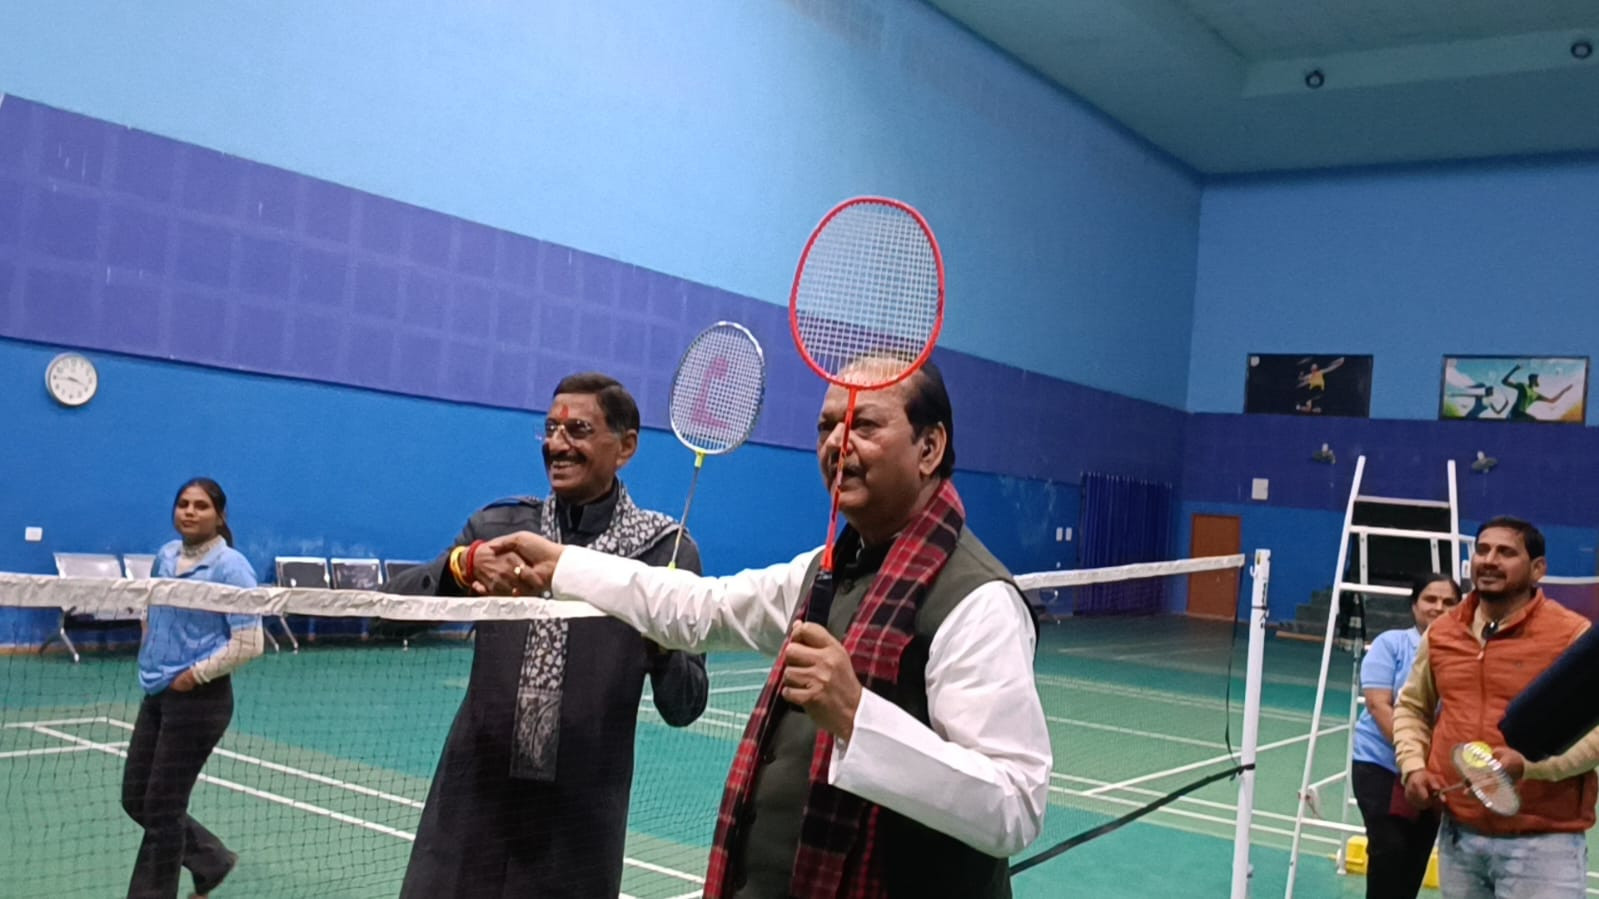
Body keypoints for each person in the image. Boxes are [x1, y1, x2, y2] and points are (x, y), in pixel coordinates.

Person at [480, 358, 1051, 898]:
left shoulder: (977, 600)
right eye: (827, 426)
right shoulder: (824, 572)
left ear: (929, 447)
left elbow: (1015, 807)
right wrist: (560, 564)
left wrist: (857, 716)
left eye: (864, 425)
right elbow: (700, 607)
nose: (837, 443)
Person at [386, 372, 709, 898]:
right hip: (472, 810)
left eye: (578, 430)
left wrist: (662, 637)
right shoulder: (499, 529)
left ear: (625, 446)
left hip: (577, 830)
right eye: (551, 429)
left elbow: (686, 705)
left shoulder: (663, 554)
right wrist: (460, 567)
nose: (557, 444)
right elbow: (388, 617)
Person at [1394, 517, 1599, 898]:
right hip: (1459, 838)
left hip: (1543, 844)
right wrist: (1414, 767)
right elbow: (1412, 708)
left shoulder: (1570, 635)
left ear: (1538, 568)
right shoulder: (1443, 631)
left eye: (1506, 552)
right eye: (1482, 550)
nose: (1489, 560)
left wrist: (1530, 766)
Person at [122, 478, 263, 899]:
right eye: (183, 503)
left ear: (219, 516)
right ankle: (211, 860)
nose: (189, 511)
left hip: (201, 701)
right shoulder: (166, 555)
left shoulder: (231, 568)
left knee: (163, 807)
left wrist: (195, 675)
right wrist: (150, 642)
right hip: (158, 691)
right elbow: (151, 605)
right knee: (136, 798)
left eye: (201, 506)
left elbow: (250, 642)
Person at [1350, 574, 1460, 898]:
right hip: (1380, 765)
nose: (1438, 607)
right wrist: (1412, 757)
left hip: (1435, 774)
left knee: (1416, 855)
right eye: (1430, 599)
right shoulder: (1391, 644)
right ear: (1414, 605)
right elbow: (1378, 704)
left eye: (1449, 602)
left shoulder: (1464, 653)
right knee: (1390, 849)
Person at [1501, 366, 1573, 421]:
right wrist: (1514, 369)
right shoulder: (1522, 386)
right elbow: (1504, 381)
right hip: (1514, 413)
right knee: (1533, 420)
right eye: (1536, 378)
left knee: (1533, 421)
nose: (1538, 380)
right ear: (1532, 379)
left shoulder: (1536, 395)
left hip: (1520, 416)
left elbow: (1552, 400)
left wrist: (1564, 391)